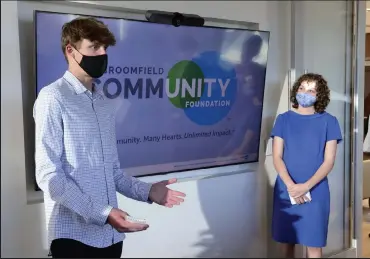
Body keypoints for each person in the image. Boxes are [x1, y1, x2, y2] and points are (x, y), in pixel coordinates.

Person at [34, 17, 186, 258]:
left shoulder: (103, 101)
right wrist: (104, 213)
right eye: (94, 46)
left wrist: (146, 191)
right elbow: (49, 176)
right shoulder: (53, 97)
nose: (103, 53)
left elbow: (112, 171)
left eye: (105, 48)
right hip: (73, 237)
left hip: (111, 237)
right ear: (70, 51)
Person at [270, 73, 342, 258]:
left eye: (311, 90)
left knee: (314, 243)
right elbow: (277, 156)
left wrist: (305, 187)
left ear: (320, 95)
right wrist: (292, 187)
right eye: (302, 88)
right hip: (286, 188)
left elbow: (329, 161)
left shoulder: (329, 121)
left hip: (316, 190)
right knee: (287, 241)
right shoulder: (283, 119)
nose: (305, 93)